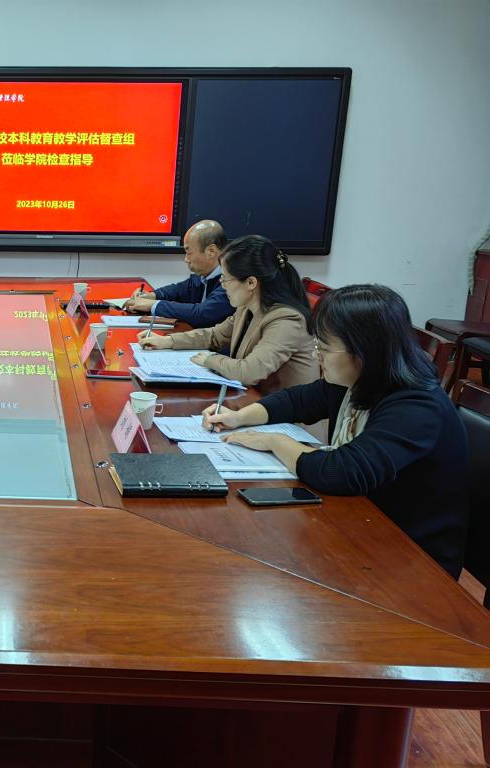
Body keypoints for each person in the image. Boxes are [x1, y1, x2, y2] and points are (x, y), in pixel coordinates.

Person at [200, 284, 468, 577]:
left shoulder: (417, 405)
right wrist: (239, 417)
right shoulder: (359, 378)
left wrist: (276, 442)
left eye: (324, 348)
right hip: (361, 526)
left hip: (412, 560)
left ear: (363, 351)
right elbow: (296, 401)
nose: (318, 356)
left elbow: (342, 471)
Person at [138, 235, 318, 392]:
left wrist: (211, 359)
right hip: (252, 400)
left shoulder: (286, 320)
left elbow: (249, 372)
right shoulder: (246, 308)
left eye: (226, 279)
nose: (223, 286)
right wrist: (168, 341)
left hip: (285, 416)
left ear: (251, 283)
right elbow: (214, 336)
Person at [124, 220, 234, 328]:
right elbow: (177, 291)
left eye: (189, 253)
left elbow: (202, 314)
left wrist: (152, 305)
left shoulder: (232, 281)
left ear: (211, 251)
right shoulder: (202, 276)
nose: (186, 259)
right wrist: (152, 295)